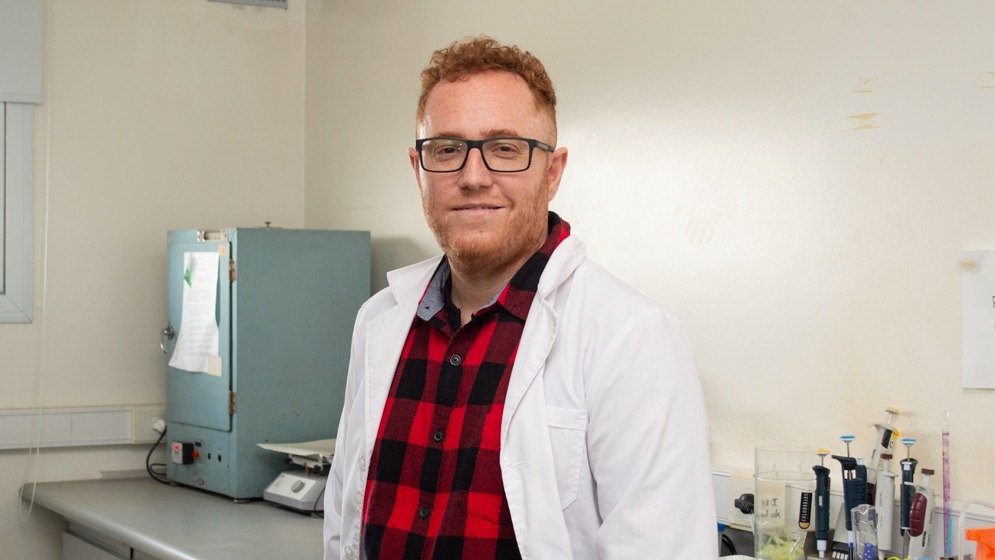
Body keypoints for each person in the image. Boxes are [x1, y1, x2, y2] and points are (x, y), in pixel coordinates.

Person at [323, 36, 716, 559]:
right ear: (419, 170)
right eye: (447, 149)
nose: (473, 176)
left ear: (552, 173)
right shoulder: (379, 323)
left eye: (505, 148)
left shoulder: (630, 335)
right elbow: (342, 529)